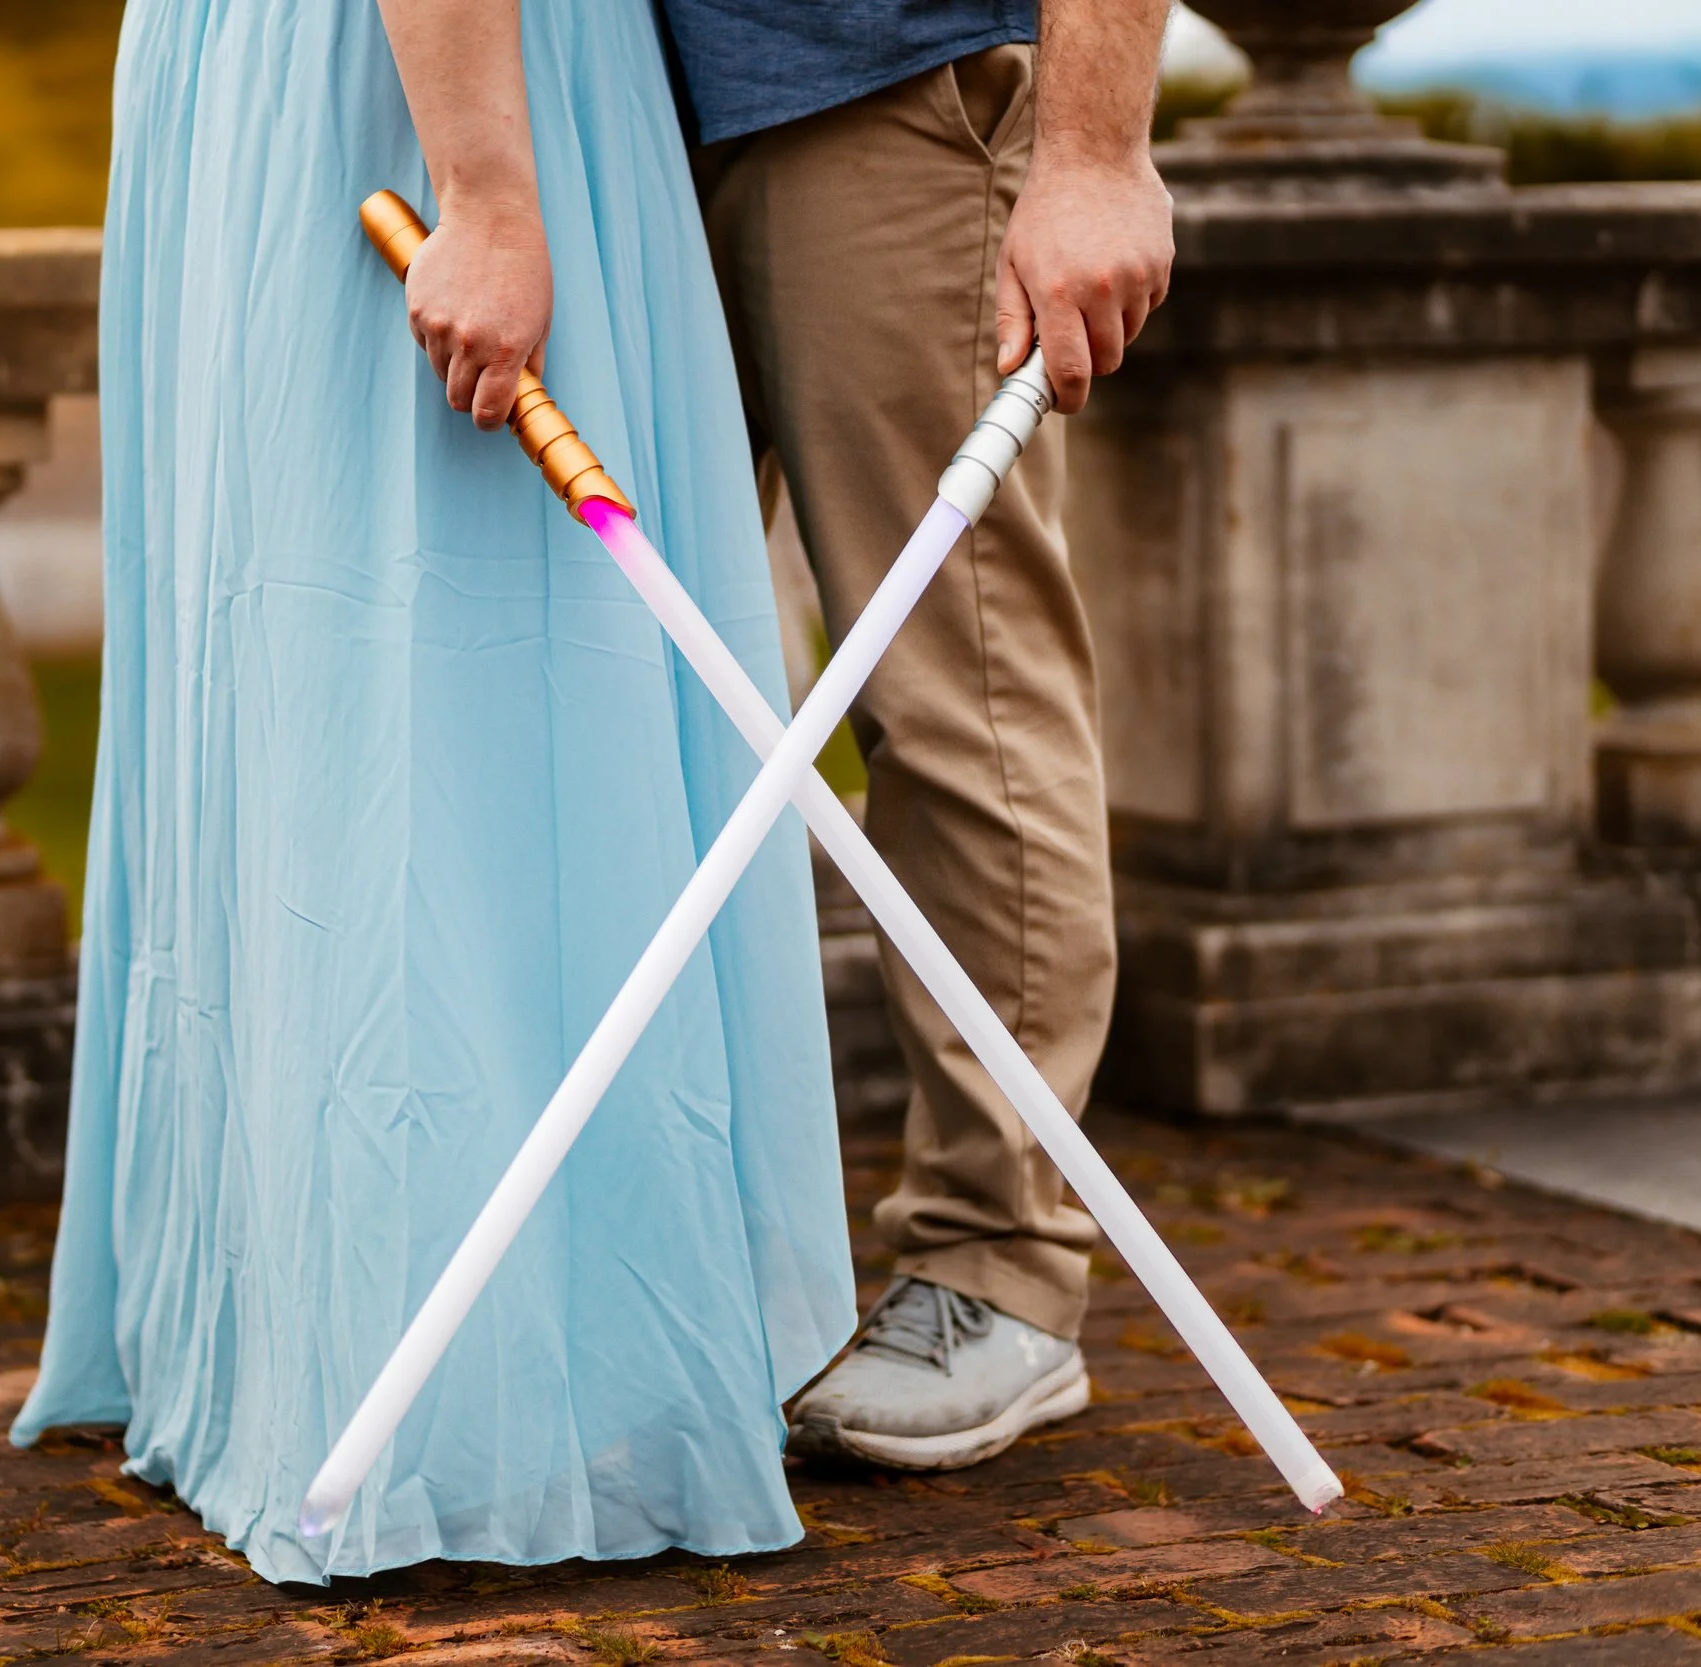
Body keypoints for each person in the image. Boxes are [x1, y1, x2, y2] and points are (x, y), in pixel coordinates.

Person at [10, 0, 854, 1584]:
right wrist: (487, 192)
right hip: (422, 78)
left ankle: (359, 1356)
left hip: (274, 68)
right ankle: (470, 1394)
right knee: (441, 672)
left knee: (324, 684)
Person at [662, 0, 1175, 1469]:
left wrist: (1092, 149)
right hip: (626, 123)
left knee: (956, 679)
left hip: (880, 90)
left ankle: (997, 1266)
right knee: (618, 688)